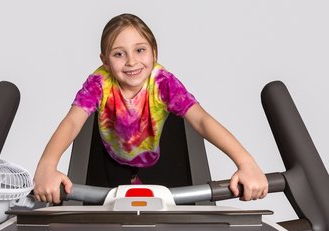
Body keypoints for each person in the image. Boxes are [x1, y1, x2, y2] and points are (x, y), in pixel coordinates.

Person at [33, 13, 268, 204]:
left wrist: (246, 163)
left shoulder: (163, 82)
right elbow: (73, 121)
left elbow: (202, 121)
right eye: (119, 54)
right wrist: (47, 166)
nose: (131, 62)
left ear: (154, 52)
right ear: (105, 60)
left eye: (140, 50)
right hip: (111, 156)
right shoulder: (99, 82)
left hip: (157, 154)